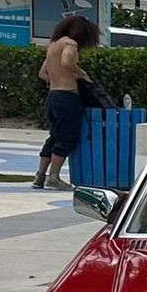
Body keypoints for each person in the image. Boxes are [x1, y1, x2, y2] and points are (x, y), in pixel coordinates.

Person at [34, 14, 99, 190]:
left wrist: (57, 78)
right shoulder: (70, 44)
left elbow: (43, 73)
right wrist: (81, 73)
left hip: (53, 96)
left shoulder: (54, 45)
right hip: (67, 97)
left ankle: (40, 176)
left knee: (54, 135)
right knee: (67, 137)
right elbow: (66, 61)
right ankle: (54, 177)